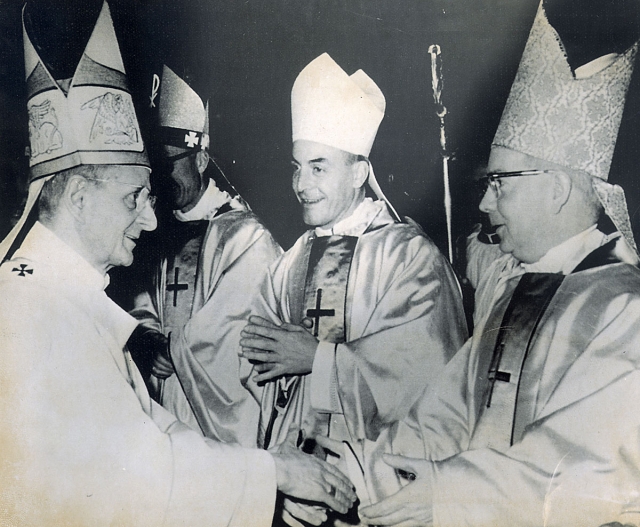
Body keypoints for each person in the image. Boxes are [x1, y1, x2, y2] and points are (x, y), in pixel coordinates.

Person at [0, 3, 356, 524]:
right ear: (77, 197)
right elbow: (137, 479)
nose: (149, 220)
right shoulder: (35, 312)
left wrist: (270, 471)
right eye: (133, 198)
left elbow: (152, 433)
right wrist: (270, 474)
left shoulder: (53, 296)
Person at [357, 2, 640, 526]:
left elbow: (577, 469)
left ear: (557, 189)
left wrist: (449, 494)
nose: (486, 204)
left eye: (500, 183)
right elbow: (440, 422)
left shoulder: (624, 308)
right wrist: (356, 469)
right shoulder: (518, 292)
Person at [239, 52, 467, 522]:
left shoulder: (408, 257)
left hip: (372, 483)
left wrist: (317, 360)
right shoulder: (290, 261)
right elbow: (255, 359)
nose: (301, 184)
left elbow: (428, 376)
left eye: (318, 167)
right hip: (296, 480)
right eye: (297, 167)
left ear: (360, 173)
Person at [128, 64, 282, 448]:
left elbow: (234, 327)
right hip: (164, 405)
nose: (162, 177)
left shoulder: (245, 235)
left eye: (172, 163)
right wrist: (147, 341)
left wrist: (174, 350)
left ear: (199, 159)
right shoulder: (151, 233)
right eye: (156, 166)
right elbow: (139, 303)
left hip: (220, 420)